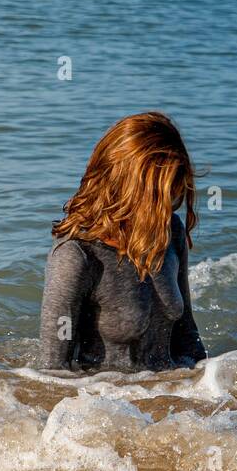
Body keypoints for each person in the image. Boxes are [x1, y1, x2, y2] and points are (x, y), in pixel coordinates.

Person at [39, 112, 206, 371]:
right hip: (112, 402)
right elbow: (52, 371)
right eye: (158, 197)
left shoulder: (170, 230)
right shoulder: (77, 256)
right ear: (126, 187)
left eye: (173, 195)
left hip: (175, 395)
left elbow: (188, 338)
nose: (167, 208)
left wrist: (212, 385)